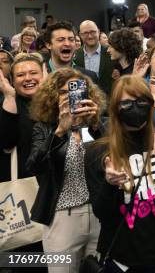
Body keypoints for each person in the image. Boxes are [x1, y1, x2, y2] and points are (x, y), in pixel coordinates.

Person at [85, 75, 155, 271]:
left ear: (151, 105)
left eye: (141, 102)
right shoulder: (98, 153)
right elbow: (102, 213)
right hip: (123, 260)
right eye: (126, 103)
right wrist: (110, 184)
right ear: (115, 109)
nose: (135, 108)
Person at [27, 68, 106, 272]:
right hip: (63, 218)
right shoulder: (44, 127)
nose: (71, 96)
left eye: (77, 90)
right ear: (53, 96)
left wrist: (97, 125)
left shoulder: (95, 126)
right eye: (64, 91)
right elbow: (34, 165)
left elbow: (114, 156)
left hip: (99, 215)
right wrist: (60, 130)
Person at [76, 20, 113, 96]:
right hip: (83, 102)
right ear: (80, 35)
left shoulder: (111, 53)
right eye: (85, 33)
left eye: (93, 32)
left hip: (108, 102)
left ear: (98, 32)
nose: (90, 36)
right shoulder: (75, 55)